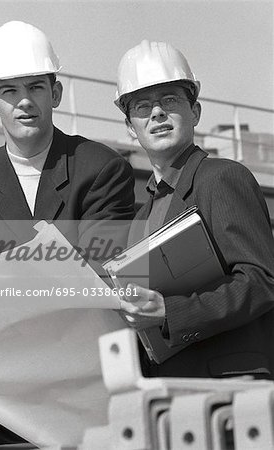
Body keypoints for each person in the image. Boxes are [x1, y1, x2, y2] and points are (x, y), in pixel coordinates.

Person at [0, 21, 135, 449]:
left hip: (85, 385)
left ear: (55, 94)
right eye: (9, 91)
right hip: (1, 397)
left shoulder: (101, 169)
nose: (24, 103)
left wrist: (0, 280)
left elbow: (97, 275)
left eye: (36, 87)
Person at [115, 40, 274, 380]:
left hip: (232, 385)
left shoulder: (222, 178)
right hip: (170, 391)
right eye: (142, 106)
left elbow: (261, 282)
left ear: (195, 112)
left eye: (169, 100)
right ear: (130, 128)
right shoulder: (141, 218)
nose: (156, 113)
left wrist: (170, 311)